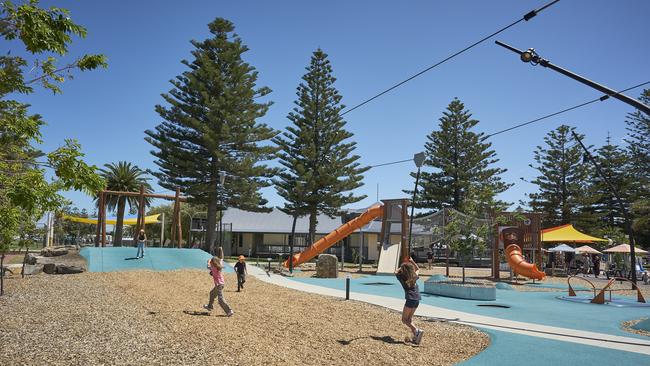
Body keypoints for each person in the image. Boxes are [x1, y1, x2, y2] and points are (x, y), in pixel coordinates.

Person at [395, 257, 423, 345]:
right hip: (417, 299)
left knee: (404, 320)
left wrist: (402, 266)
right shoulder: (414, 276)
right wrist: (412, 261)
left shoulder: (402, 278)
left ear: (403, 271)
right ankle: (416, 336)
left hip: (410, 299)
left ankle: (417, 330)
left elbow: (395, 271)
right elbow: (418, 268)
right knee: (409, 319)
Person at [204, 247, 234, 316]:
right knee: (212, 293)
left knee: (220, 300)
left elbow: (208, 266)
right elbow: (221, 257)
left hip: (218, 285)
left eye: (211, 262)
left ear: (213, 263)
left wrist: (208, 262)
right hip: (221, 284)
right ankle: (210, 306)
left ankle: (229, 311)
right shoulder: (219, 264)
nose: (210, 263)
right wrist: (221, 250)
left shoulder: (213, 268)